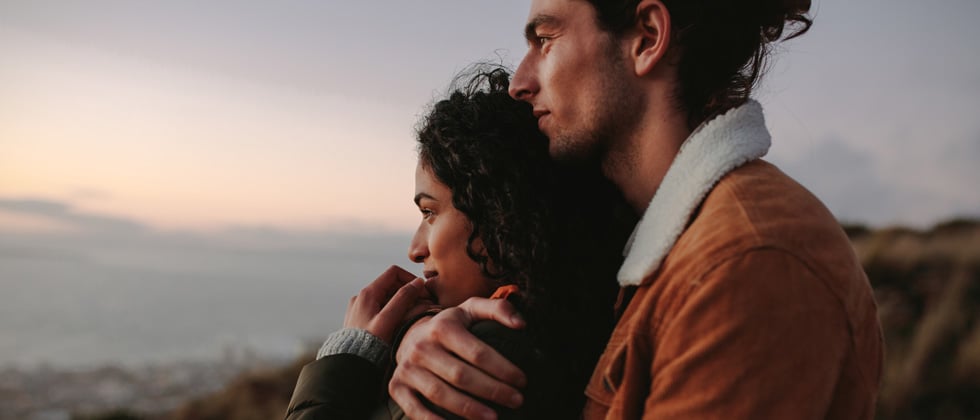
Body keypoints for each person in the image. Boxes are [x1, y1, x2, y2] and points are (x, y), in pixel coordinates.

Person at [388, 1, 885, 419]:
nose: (521, 80)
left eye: (545, 39)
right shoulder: (657, 250)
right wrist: (426, 338)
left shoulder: (747, 264)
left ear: (647, 38)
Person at [284, 67, 634, 419]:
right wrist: (410, 332)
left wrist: (350, 356)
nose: (415, 249)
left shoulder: (476, 363)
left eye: (429, 212)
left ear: (500, 214)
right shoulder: (574, 322)